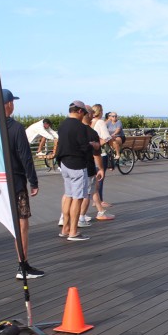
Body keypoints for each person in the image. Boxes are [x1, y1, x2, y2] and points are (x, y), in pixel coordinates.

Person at [0, 89, 44, 279]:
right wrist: (33, 181)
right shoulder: (16, 128)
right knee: (21, 224)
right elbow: (25, 157)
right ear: (8, 104)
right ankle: (23, 266)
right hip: (15, 182)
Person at [55, 100, 98, 241]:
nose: (84, 115)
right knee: (78, 198)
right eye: (84, 113)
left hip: (64, 164)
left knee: (68, 195)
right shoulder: (80, 127)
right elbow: (84, 147)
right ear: (79, 111)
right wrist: (93, 145)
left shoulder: (62, 125)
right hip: (77, 165)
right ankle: (73, 231)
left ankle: (65, 229)